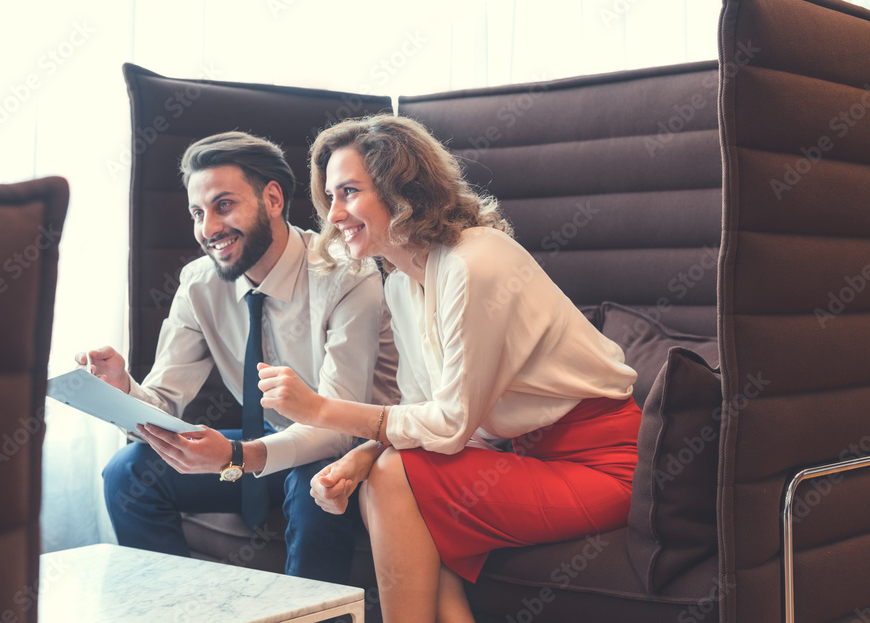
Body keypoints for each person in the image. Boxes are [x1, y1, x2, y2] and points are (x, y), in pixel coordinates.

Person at [256, 114, 642, 622]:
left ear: (401, 190)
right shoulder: (401, 284)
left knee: (393, 476)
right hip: (520, 454)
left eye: (348, 192)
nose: (334, 215)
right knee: (383, 474)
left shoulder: (474, 262)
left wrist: (321, 410)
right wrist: (362, 455)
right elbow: (425, 411)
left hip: (603, 464)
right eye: (330, 198)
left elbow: (452, 424)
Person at [78, 130, 398, 584]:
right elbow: (164, 404)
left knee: (315, 485)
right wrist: (123, 393)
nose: (208, 229)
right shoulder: (199, 285)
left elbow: (339, 428)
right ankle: (176, 615)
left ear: (272, 199)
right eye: (197, 212)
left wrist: (234, 455)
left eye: (223, 205)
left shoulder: (347, 277)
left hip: (355, 447)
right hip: (263, 445)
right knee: (129, 474)